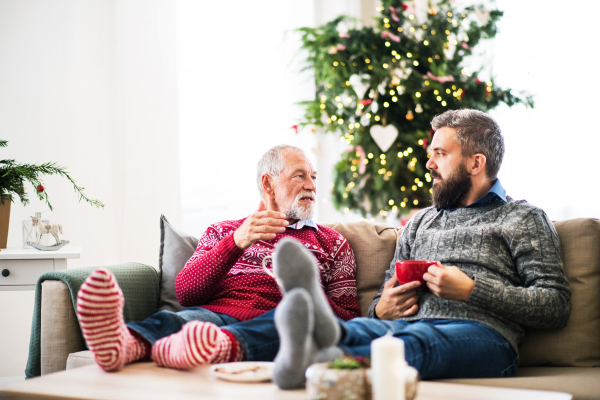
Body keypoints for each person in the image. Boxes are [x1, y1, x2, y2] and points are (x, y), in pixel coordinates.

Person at [226, 109, 571, 389]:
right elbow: (380, 301)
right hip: (402, 326)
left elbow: (555, 305)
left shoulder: (523, 218)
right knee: (339, 326)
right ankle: (217, 341)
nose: (429, 164)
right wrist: (381, 309)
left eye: (440, 154)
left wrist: (471, 290)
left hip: (484, 338)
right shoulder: (421, 222)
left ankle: (314, 360)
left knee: (414, 342)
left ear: (475, 163)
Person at [75, 144, 361, 372]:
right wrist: (235, 243)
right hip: (215, 317)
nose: (311, 184)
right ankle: (126, 344)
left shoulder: (333, 243)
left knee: (289, 320)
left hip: (277, 323)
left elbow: (347, 318)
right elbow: (186, 293)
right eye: (300, 175)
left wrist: (302, 305)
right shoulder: (224, 231)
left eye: (313, 176)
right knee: (184, 319)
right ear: (269, 183)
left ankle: (210, 346)